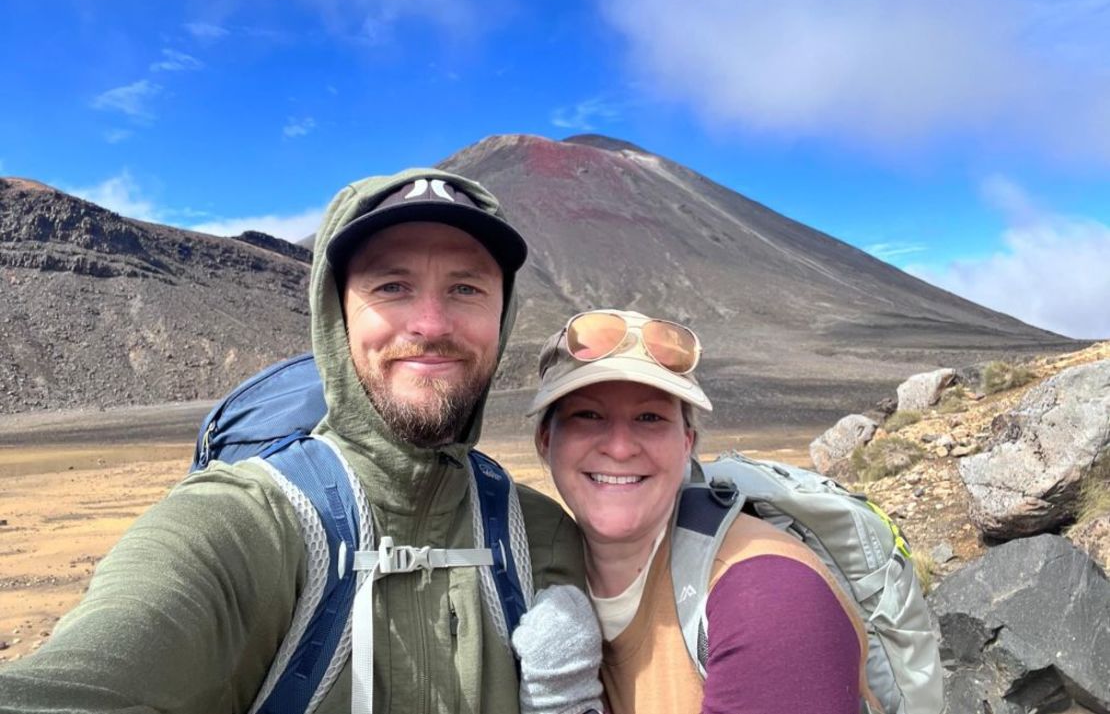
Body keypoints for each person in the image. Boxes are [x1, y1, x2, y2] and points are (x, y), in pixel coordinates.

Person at [0, 169, 598, 714]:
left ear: (504, 316)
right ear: (335, 317)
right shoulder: (239, 524)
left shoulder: (542, 539)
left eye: (467, 289)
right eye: (392, 286)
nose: (432, 324)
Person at [530, 309, 878, 714]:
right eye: (587, 415)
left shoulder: (769, 597)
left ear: (686, 443)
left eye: (650, 418)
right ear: (545, 439)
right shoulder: (535, 571)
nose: (620, 447)